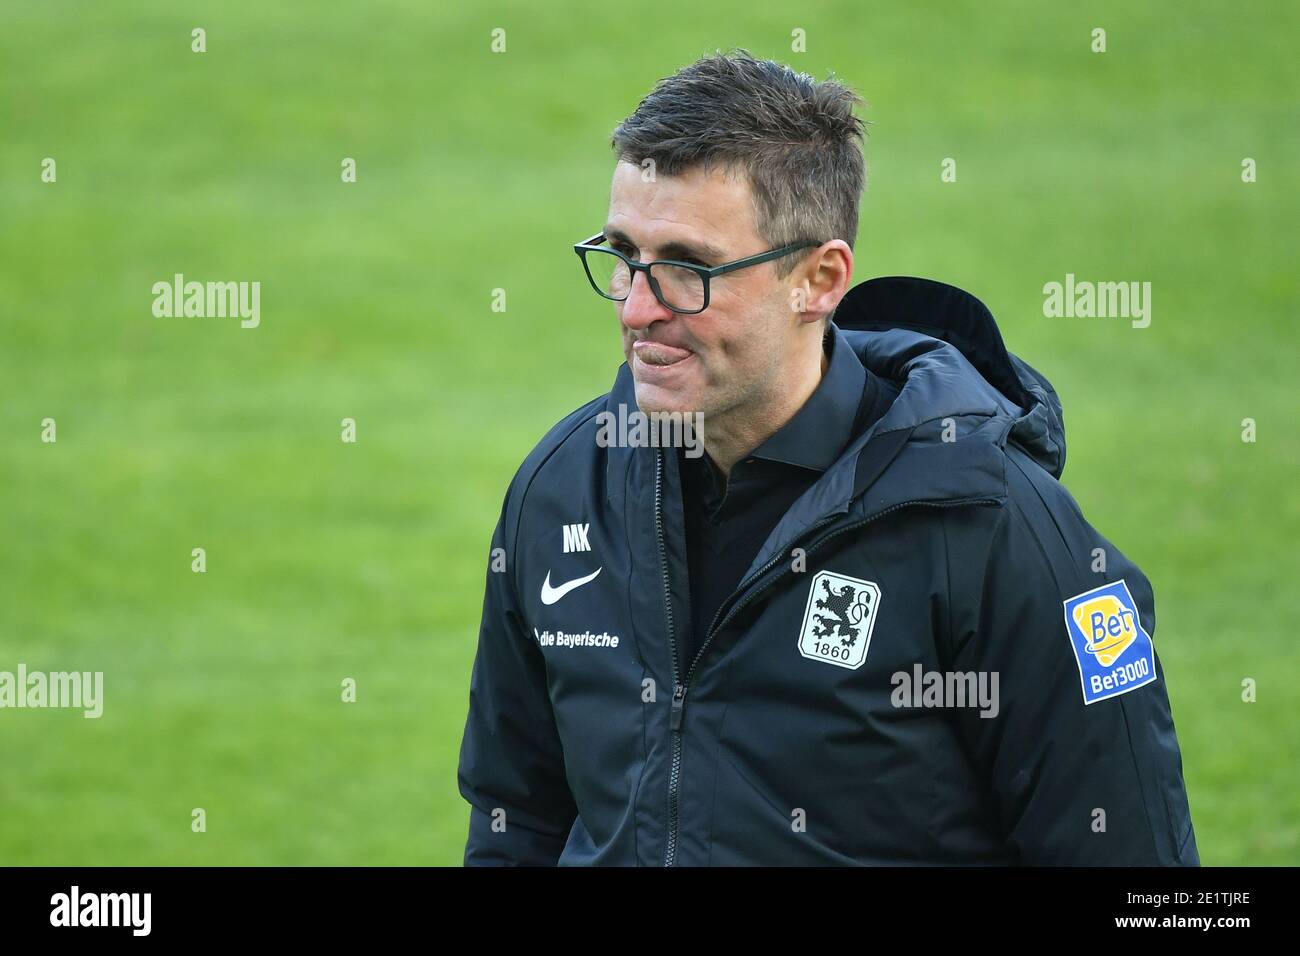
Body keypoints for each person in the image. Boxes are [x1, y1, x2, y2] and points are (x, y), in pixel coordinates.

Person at [456, 49, 1198, 865]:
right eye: (625, 256)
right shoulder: (565, 489)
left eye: (687, 269)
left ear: (818, 278)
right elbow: (515, 814)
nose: (637, 309)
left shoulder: (1000, 533)